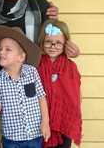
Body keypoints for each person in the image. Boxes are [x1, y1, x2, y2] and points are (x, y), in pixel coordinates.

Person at [0, 25, 51, 148]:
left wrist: (45, 122)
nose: (1, 52)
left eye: (8, 49)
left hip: (34, 134)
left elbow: (41, 98)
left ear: (21, 57)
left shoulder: (32, 72)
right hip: (11, 138)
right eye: (0, 49)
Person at [37, 19, 82, 148]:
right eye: (48, 42)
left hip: (64, 122)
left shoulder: (70, 67)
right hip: (41, 121)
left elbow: (76, 96)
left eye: (58, 43)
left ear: (66, 44)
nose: (53, 46)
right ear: (42, 42)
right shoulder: (37, 65)